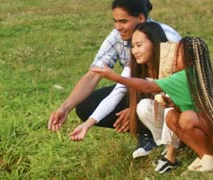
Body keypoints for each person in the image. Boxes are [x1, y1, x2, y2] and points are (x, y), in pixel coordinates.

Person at [47, 0, 180, 158]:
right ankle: (148, 134)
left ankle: (175, 140)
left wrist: (134, 109)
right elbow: (97, 76)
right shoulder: (121, 44)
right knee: (86, 105)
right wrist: (68, 110)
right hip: (142, 92)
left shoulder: (167, 38)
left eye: (123, 21)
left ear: (141, 19)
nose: (118, 27)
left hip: (173, 94)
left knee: (147, 105)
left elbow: (178, 87)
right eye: (115, 21)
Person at [91, 37, 213, 172]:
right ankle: (203, 155)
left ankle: (211, 156)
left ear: (191, 59)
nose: (174, 58)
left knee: (187, 118)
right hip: (207, 128)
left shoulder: (185, 76)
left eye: (179, 54)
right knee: (172, 117)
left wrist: (115, 77)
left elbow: (148, 87)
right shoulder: (199, 75)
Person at [71, 22, 181, 173]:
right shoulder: (134, 66)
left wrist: (115, 77)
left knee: (167, 102)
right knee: (143, 107)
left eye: (139, 45)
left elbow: (167, 96)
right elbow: (114, 96)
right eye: (132, 46)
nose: (134, 51)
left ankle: (171, 156)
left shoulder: (171, 63)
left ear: (154, 44)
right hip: (167, 118)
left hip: (185, 116)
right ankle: (165, 145)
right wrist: (87, 124)